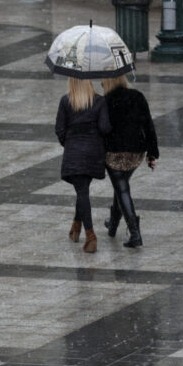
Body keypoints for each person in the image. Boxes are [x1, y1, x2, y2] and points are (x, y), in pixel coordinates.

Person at [100, 75, 159, 248]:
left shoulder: (105, 101)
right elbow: (148, 125)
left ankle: (135, 233)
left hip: (114, 153)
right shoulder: (137, 96)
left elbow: (102, 129)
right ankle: (113, 224)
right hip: (136, 152)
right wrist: (152, 153)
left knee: (122, 188)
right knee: (121, 186)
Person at [54, 77, 111, 253]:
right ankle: (76, 226)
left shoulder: (66, 101)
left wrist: (70, 143)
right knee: (83, 190)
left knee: (82, 191)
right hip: (93, 152)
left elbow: (59, 129)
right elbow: (105, 128)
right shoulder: (99, 101)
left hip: (74, 151)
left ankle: (90, 235)